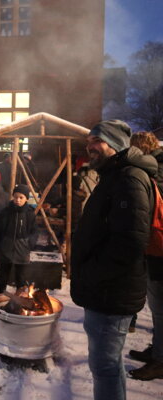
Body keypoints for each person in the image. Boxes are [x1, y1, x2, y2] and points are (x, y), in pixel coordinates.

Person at [70, 120, 157, 400]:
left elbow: (130, 241)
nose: (90, 146)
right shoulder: (115, 175)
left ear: (116, 144)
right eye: (89, 141)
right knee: (108, 364)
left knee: (104, 365)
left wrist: (92, 274)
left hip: (111, 292)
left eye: (97, 140)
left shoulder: (129, 178)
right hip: (106, 290)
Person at [128, 131, 163, 380]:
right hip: (155, 247)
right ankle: (157, 351)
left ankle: (160, 361)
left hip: (160, 247)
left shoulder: (157, 171)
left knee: (161, 307)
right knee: (157, 306)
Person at [0, 184, 38, 294]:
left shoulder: (29, 214)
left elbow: (34, 231)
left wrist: (29, 244)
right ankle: (0, 299)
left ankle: (19, 303)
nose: (17, 200)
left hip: (22, 250)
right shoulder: (6, 212)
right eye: (15, 197)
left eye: (21, 197)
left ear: (26, 198)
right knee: (3, 278)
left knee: (20, 279)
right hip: (6, 249)